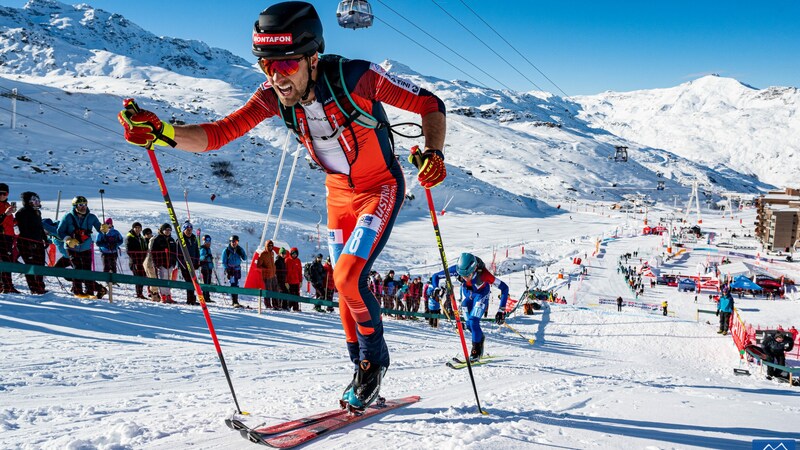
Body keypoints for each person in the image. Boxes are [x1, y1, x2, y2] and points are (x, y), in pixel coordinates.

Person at [117, 1, 446, 411]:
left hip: (379, 188)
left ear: (312, 58)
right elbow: (219, 134)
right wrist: (161, 133)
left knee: (348, 279)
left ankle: (373, 364)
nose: (276, 77)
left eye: (286, 65)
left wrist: (434, 152)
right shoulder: (272, 96)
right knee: (342, 291)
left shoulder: (355, 77)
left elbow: (430, 103)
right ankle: (360, 366)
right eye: (266, 66)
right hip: (337, 193)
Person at [432, 253, 509, 362]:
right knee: (469, 325)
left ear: (474, 269)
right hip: (468, 297)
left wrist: (501, 310)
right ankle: (480, 338)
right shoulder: (458, 269)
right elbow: (436, 276)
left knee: (473, 322)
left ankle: (475, 351)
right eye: (461, 276)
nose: (464, 278)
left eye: (467, 275)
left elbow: (504, 288)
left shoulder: (485, 275)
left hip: (481, 296)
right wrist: (436, 288)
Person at [57, 196, 107, 299]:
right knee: (77, 269)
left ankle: (90, 292)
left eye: (85, 205)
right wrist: (68, 239)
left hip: (86, 247)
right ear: (75, 206)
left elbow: (99, 228)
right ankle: (78, 292)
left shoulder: (92, 217)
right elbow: (60, 231)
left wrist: (104, 229)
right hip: (71, 247)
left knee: (87, 271)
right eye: (80, 205)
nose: (83, 207)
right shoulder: (68, 217)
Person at [15, 191, 47, 294]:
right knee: (30, 265)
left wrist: (45, 239)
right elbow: (24, 230)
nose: (37, 202)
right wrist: (30, 242)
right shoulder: (22, 213)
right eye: (34, 200)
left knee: (40, 265)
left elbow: (40, 227)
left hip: (38, 242)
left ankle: (40, 286)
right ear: (28, 202)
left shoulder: (37, 212)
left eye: (37, 200)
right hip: (26, 243)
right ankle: (34, 288)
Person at [0, 183, 21, 294]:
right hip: (1, 237)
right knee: (5, 262)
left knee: (7, 261)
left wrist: (15, 223)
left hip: (8, 237)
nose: (2, 195)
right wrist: (5, 214)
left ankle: (6, 286)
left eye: (4, 193)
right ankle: (7, 286)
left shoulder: (7, 205)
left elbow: (9, 222)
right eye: (0, 193)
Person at [150, 223, 178, 303]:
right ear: (162, 230)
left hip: (170, 263)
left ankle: (168, 295)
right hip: (161, 263)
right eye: (166, 230)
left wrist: (174, 262)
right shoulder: (158, 239)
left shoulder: (171, 240)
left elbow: (174, 252)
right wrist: (156, 263)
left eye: (169, 230)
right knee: (163, 279)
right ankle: (163, 296)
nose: (168, 231)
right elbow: (153, 252)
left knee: (169, 280)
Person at [176, 220, 200, 305]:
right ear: (184, 230)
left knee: (193, 281)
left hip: (192, 264)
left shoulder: (193, 238)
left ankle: (192, 298)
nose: (189, 231)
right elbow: (178, 254)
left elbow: (196, 251)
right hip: (185, 265)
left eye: (190, 230)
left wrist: (197, 262)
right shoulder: (180, 239)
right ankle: (189, 299)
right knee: (189, 281)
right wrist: (183, 265)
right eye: (187, 230)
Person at [221, 235, 247, 308]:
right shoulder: (226, 251)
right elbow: (223, 262)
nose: (234, 243)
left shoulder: (239, 249)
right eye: (232, 242)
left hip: (237, 269)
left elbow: (245, 258)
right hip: (231, 270)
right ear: (230, 242)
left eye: (235, 242)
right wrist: (227, 269)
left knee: (237, 284)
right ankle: (234, 301)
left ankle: (236, 300)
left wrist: (241, 252)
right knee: (233, 284)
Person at [125, 222, 148, 299]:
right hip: (134, 261)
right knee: (138, 277)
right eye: (136, 227)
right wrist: (135, 259)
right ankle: (139, 293)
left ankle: (140, 293)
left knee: (142, 276)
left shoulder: (141, 238)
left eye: (139, 228)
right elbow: (128, 251)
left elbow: (144, 249)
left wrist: (143, 258)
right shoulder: (129, 237)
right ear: (133, 228)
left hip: (141, 261)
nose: (138, 229)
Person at [256, 240, 279, 309]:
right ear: (266, 246)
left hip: (273, 275)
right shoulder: (263, 254)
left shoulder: (272, 253)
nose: (270, 247)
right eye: (269, 246)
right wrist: (266, 269)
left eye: (272, 246)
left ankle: (275, 304)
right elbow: (258, 265)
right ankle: (268, 304)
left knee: (275, 290)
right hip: (267, 276)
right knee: (268, 290)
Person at [285, 247, 303, 312]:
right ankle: (289, 306)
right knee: (290, 295)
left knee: (296, 295)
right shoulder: (287, 260)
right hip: (290, 282)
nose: (294, 255)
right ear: (291, 253)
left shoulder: (298, 261)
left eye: (295, 254)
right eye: (293, 254)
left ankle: (296, 307)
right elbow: (285, 272)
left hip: (296, 282)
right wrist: (286, 281)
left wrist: (300, 281)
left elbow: (300, 272)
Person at [199, 234, 215, 303]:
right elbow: (201, 257)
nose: (208, 243)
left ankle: (207, 296)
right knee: (206, 282)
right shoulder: (203, 248)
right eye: (207, 242)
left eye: (209, 242)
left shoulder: (208, 249)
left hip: (209, 267)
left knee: (208, 282)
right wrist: (206, 256)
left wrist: (210, 258)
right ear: (204, 242)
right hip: (205, 267)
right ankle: (205, 297)